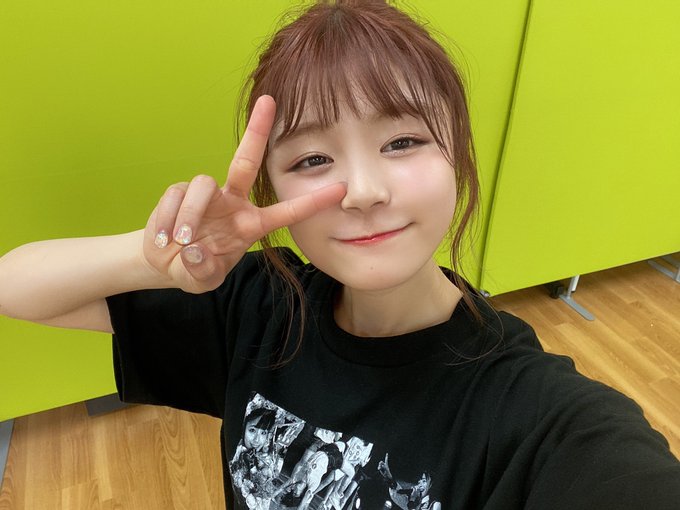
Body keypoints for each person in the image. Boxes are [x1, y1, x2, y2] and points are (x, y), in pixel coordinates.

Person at [0, 1, 679, 509]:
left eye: (402, 142)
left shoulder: (534, 413)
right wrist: (156, 259)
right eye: (313, 159)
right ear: (271, 190)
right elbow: (14, 286)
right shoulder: (258, 307)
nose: (363, 191)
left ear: (458, 153)